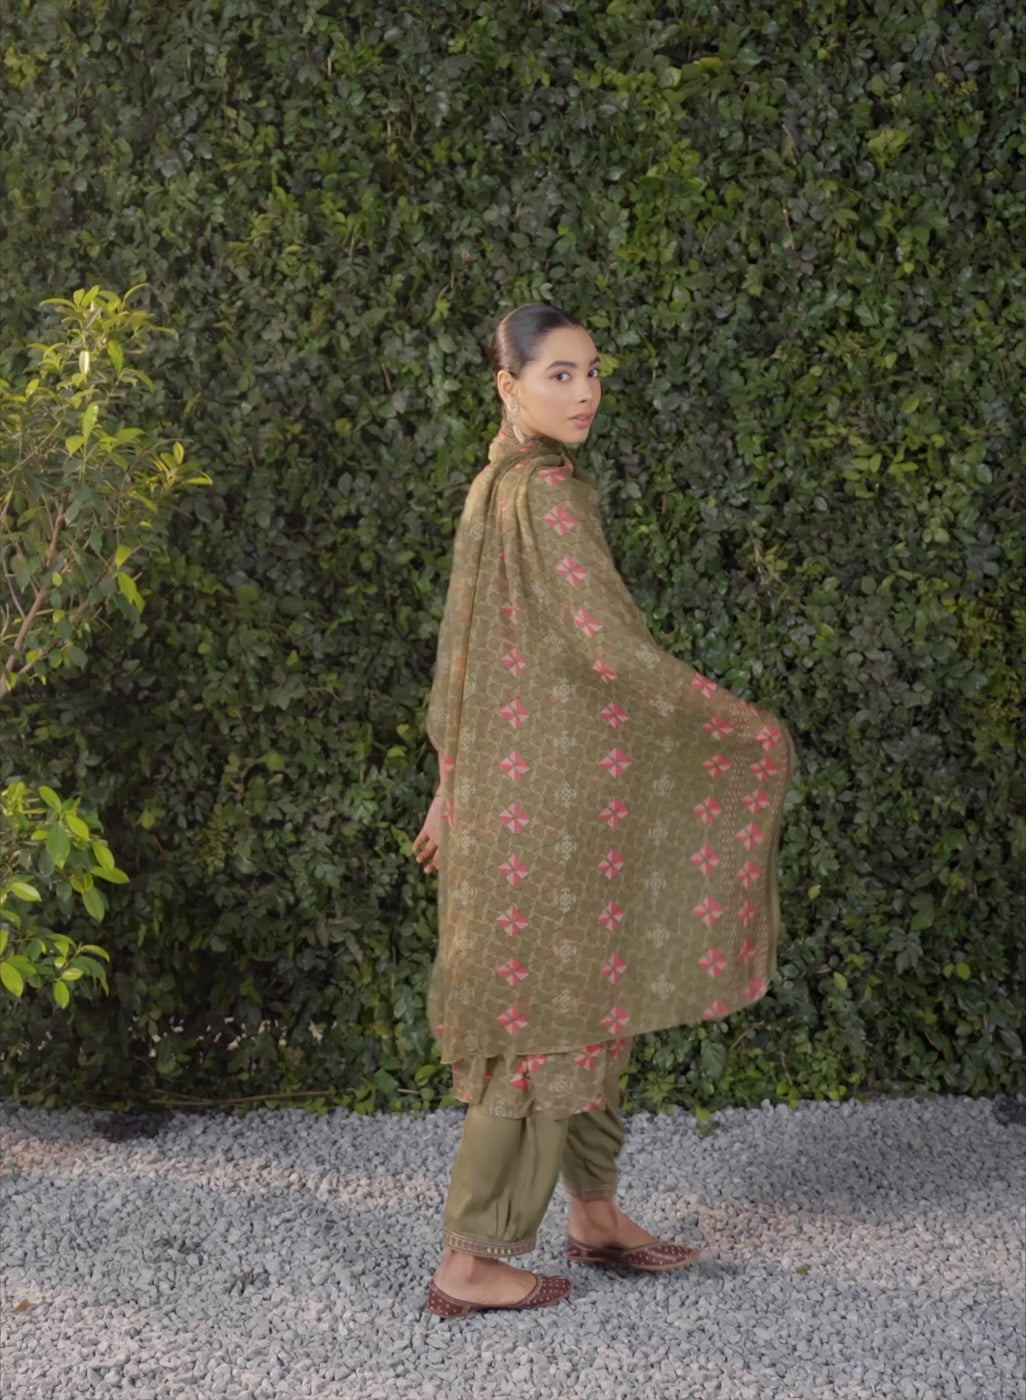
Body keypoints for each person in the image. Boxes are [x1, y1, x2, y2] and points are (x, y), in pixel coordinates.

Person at [412, 304, 798, 1319]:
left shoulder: (498, 486)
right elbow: (613, 646)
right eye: (560, 375)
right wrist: (740, 725)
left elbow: (459, 657)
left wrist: (453, 784)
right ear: (509, 386)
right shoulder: (542, 497)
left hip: (520, 791)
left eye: (591, 373)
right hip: (556, 806)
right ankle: (471, 1260)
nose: (584, 393)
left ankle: (594, 1213)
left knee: (588, 1006)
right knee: (545, 1025)